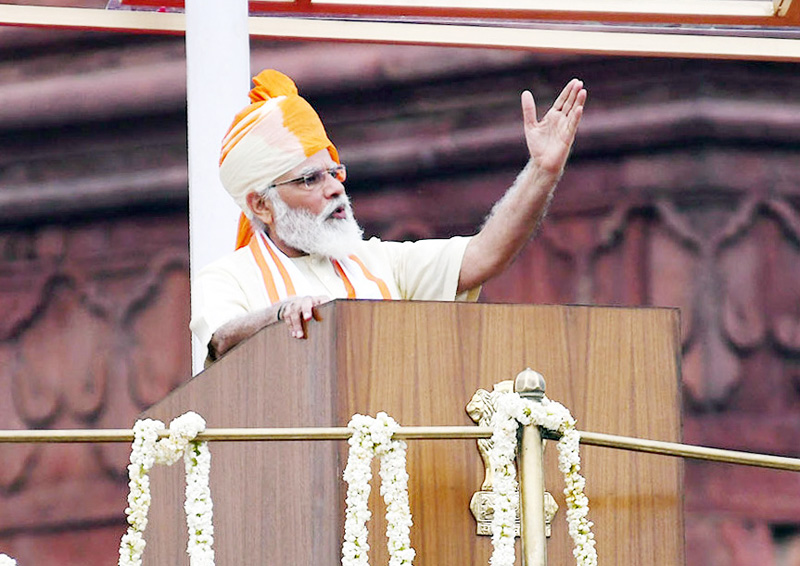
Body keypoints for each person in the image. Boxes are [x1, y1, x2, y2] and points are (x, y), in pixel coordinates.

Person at [190, 69, 587, 362]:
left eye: (334, 172)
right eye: (310, 179)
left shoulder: (378, 262)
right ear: (261, 205)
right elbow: (219, 341)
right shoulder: (228, 278)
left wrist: (542, 172)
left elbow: (485, 255)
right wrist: (280, 315)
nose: (334, 188)